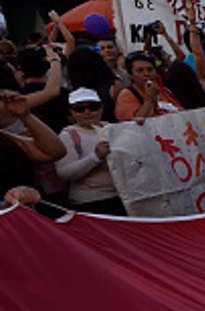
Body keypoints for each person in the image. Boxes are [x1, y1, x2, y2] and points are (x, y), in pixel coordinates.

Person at [54, 88, 126, 216]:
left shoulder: (111, 129)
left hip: (121, 197)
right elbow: (64, 173)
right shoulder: (68, 135)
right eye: (79, 109)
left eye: (93, 107)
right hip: (90, 202)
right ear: (72, 111)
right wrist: (95, 157)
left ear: (101, 108)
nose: (87, 112)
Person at [0, 89, 66, 204]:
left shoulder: (6, 139)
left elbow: (54, 151)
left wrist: (25, 115)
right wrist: (6, 203)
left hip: (26, 217)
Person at [115, 52, 183, 121]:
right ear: (130, 75)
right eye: (140, 71)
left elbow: (181, 113)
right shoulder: (126, 95)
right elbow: (135, 124)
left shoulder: (165, 91)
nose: (146, 74)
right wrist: (150, 98)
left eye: (150, 70)